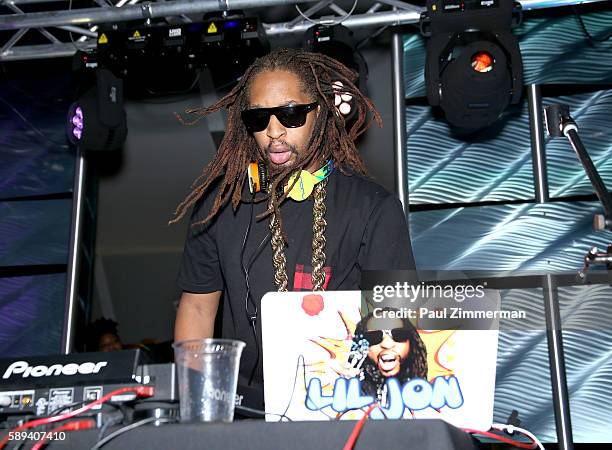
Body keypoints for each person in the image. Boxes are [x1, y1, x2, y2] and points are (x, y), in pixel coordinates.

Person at [171, 48, 415, 406]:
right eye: (258, 118)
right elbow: (197, 309)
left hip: (343, 402)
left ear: (321, 112)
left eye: (290, 114)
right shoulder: (219, 206)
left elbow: (394, 317)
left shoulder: (373, 207)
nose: (273, 131)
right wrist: (198, 405)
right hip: (244, 408)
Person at [351, 309, 428, 403]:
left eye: (399, 334)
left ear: (411, 342)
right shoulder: (351, 386)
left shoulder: (429, 391)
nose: (387, 344)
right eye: (374, 337)